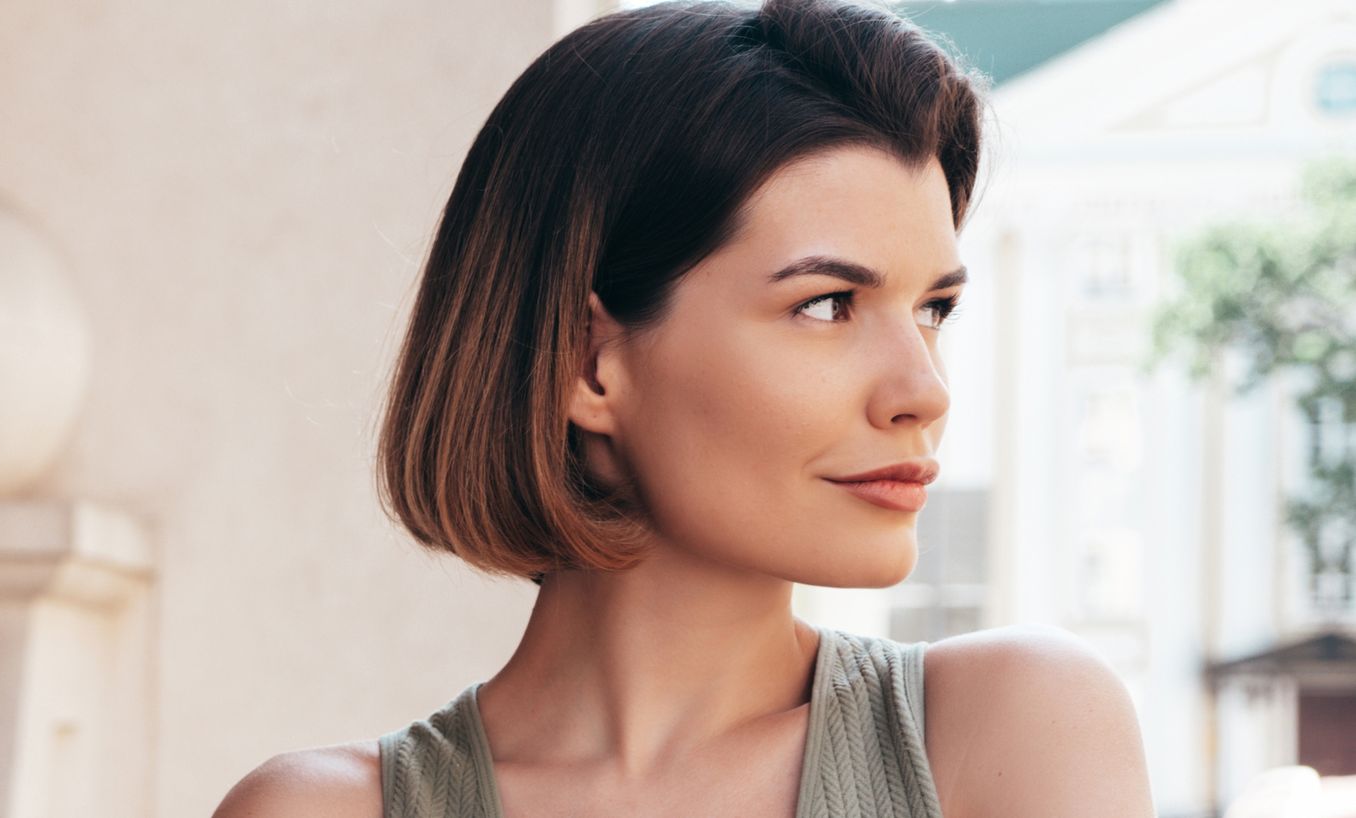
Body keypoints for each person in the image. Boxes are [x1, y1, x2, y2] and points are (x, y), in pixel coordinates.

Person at [213, 0, 1156, 815]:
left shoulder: (1011, 729)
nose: (924, 391)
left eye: (933, 309)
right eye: (826, 305)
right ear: (589, 364)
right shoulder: (320, 810)